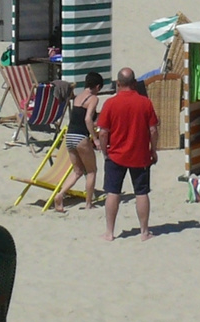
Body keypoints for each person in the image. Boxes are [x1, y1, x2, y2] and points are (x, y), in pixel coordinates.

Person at [95, 67, 158, 242]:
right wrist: (153, 151)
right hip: (140, 154)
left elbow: (103, 132)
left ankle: (109, 232)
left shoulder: (110, 103)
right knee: (141, 193)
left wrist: (105, 151)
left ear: (118, 84)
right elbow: (153, 130)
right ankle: (144, 232)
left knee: (113, 192)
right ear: (134, 83)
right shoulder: (145, 102)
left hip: (116, 154)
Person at [54, 73, 102, 211]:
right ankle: (88, 204)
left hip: (69, 136)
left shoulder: (78, 97)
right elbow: (87, 119)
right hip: (81, 137)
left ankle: (60, 194)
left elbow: (79, 115)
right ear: (97, 86)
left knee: (77, 171)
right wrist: (95, 138)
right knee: (92, 171)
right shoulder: (93, 98)